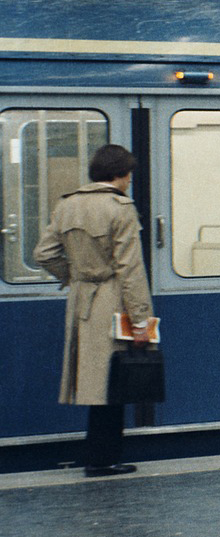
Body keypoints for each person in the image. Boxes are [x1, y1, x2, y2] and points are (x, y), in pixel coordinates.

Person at [34, 143, 153, 479]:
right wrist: (142, 321)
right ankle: (103, 460)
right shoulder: (121, 208)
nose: (129, 181)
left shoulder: (67, 205)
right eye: (128, 174)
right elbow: (130, 270)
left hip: (81, 299)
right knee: (113, 381)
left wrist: (72, 275)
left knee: (96, 381)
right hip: (113, 299)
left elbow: (44, 253)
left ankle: (99, 457)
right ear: (118, 174)